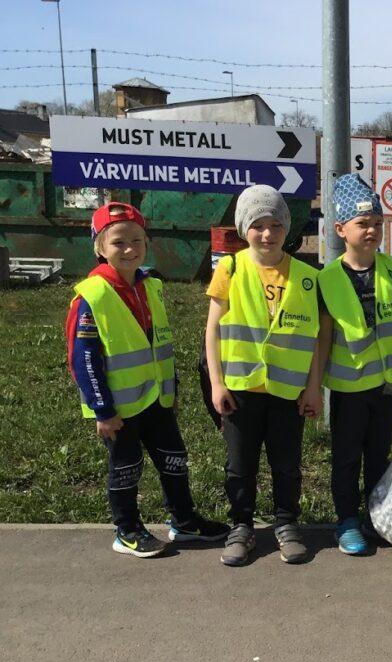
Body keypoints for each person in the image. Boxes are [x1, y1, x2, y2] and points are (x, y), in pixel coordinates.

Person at [67, 202, 229, 557]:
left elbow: (157, 343)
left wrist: (171, 390)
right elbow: (83, 359)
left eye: (137, 241)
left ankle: (184, 521)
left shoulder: (150, 285)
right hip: (119, 408)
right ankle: (126, 529)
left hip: (157, 399)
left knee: (174, 459)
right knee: (126, 468)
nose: (129, 249)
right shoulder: (92, 296)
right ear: (99, 248)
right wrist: (102, 410)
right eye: (118, 243)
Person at [205, 185, 321, 567]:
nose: (267, 233)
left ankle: (286, 523)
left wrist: (313, 388)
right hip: (241, 390)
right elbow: (213, 329)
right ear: (244, 229)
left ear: (287, 227)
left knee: (286, 463)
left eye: (276, 225)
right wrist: (217, 383)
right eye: (257, 225)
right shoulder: (231, 268)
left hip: (288, 391)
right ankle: (241, 526)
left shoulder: (307, 276)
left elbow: (315, 337)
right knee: (240, 465)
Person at [310, 173, 392, 555]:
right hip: (349, 389)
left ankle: (375, 515)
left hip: (387, 387)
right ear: (341, 229)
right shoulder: (328, 278)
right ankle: (347, 520)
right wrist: (314, 388)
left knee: (377, 457)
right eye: (362, 223)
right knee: (346, 458)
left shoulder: (390, 269)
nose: (371, 230)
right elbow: (324, 339)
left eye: (377, 223)